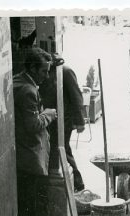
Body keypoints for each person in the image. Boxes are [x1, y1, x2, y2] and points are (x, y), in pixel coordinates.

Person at [13, 47, 57, 216]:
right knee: (28, 202)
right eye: (43, 71)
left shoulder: (21, 81)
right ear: (31, 68)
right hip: (27, 153)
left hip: (24, 151)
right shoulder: (28, 90)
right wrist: (48, 114)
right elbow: (33, 124)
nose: (46, 76)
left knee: (27, 200)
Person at [39, 54, 87, 192]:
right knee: (62, 148)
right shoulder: (46, 75)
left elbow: (76, 96)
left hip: (64, 120)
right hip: (49, 118)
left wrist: (80, 121)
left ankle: (77, 182)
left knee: (62, 148)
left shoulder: (65, 72)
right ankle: (77, 183)